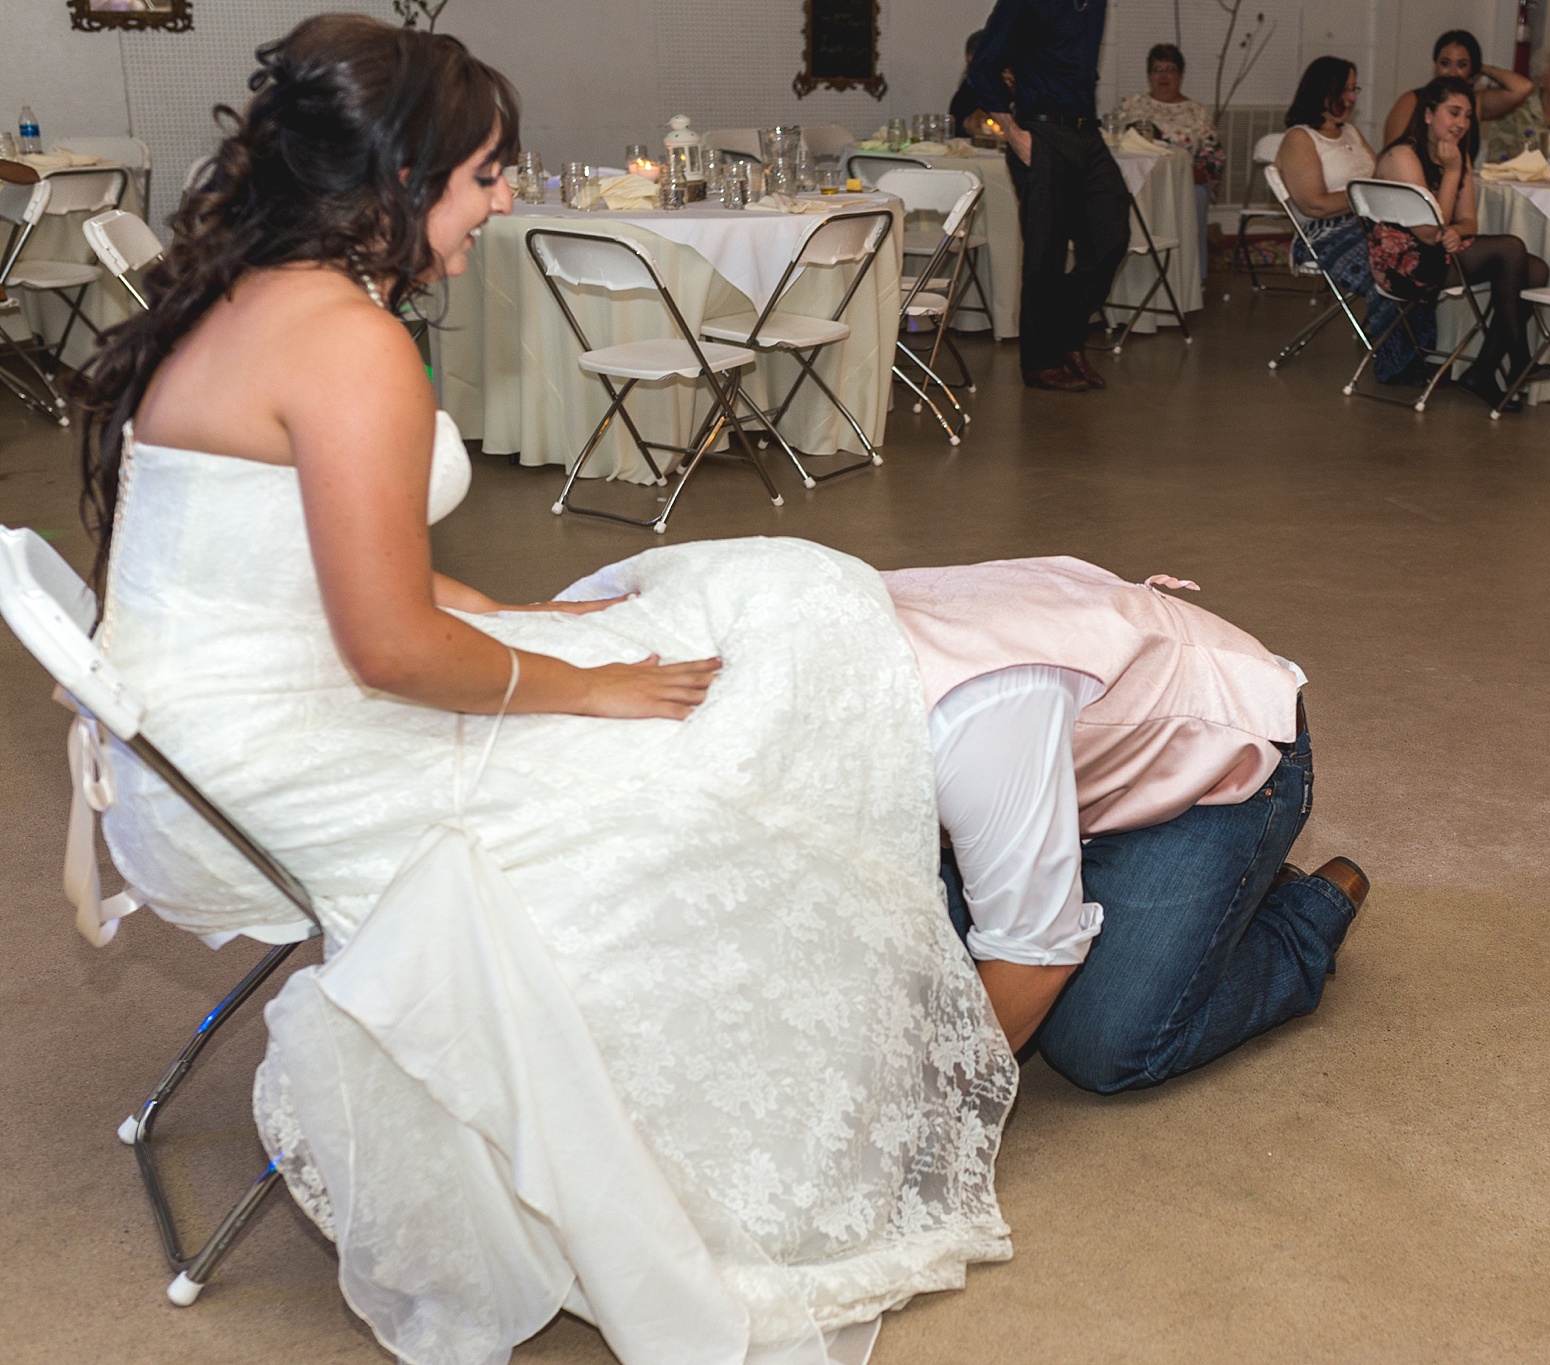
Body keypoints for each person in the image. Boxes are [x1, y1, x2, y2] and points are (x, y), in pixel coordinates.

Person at [76, 17, 1016, 1363]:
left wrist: (527, 627)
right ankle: (715, 1156)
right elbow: (387, 648)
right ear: (399, 181)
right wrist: (586, 694)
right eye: (486, 174)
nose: (506, 199)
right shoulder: (344, 344)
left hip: (189, 746)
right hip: (261, 764)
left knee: (686, 617)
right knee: (677, 771)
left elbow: (314, 566)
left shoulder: (245, 291)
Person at [884, 557, 1368, 1090]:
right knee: (909, 982)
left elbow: (1036, 956)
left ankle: (1295, 912)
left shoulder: (968, 720)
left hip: (1218, 767)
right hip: (1071, 766)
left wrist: (905, 1117)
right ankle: (1215, 911)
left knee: (1099, 1044)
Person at [966, 0, 1128, 393]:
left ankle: (1066, 335)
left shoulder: (1095, 5)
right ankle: (1040, 363)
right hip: (1040, 133)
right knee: (1046, 251)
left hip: (1087, 133)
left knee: (1111, 238)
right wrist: (1014, 134)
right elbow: (983, 66)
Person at [1376, 77, 1550, 412]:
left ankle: (1484, 370)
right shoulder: (1403, 156)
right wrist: (1453, 171)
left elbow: (1469, 221)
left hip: (1436, 252)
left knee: (1535, 269)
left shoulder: (1457, 155)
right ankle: (1517, 359)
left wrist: (1457, 230)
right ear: (1428, 114)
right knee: (1511, 249)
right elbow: (1428, 231)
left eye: (1468, 116)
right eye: (1453, 113)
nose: (1461, 124)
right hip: (1402, 265)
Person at [1275, 58, 1412, 379]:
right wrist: (1366, 197)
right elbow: (1314, 204)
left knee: (1421, 247)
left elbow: (1381, 176)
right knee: (1395, 259)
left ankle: (1420, 348)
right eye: (1345, 89)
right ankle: (1398, 356)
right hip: (1326, 233)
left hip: (1369, 222)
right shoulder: (1300, 138)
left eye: (1354, 89)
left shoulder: (1350, 132)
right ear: (1323, 91)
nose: (1352, 97)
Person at [1115, 43, 1224, 277]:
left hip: (1181, 182)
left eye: (1170, 69)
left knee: (1197, 195)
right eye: (1157, 69)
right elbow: (1113, 141)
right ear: (1148, 75)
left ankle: (1193, 276)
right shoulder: (1131, 105)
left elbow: (1213, 159)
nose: (1163, 76)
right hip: (1136, 180)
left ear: (1181, 75)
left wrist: (1193, 174)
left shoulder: (1197, 111)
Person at [1381, 30, 1533, 164]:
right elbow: (1391, 157)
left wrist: (1482, 68)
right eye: (1445, 63)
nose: (1452, 73)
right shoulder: (1411, 101)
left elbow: (1523, 88)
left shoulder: (1476, 102)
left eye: (1462, 65)